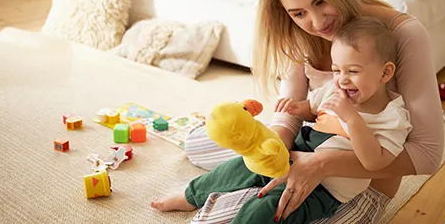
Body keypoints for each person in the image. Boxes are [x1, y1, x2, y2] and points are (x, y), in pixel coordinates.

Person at [182, 0, 443, 223]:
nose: (317, 22)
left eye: (320, 1)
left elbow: (427, 155)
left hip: (354, 185)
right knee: (197, 144)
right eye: (299, 13)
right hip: (307, 146)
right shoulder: (300, 30)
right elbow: (290, 114)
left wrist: (320, 164)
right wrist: (276, 150)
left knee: (219, 218)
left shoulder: (400, 34)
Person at [151, 18, 413, 223]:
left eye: (353, 71)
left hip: (324, 189)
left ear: (385, 72)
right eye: (336, 70)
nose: (342, 79)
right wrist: (297, 108)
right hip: (291, 153)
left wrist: (352, 119)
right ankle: (190, 195)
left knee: (267, 208)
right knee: (240, 166)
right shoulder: (335, 89)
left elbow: (375, 162)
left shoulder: (392, 116)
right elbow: (313, 110)